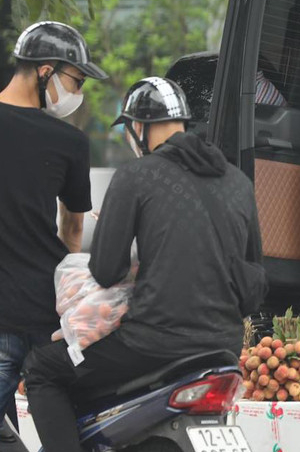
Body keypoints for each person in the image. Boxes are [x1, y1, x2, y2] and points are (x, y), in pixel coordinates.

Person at [22, 77, 267, 452]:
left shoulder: (136, 176)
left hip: (151, 344)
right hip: (224, 348)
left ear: (139, 127)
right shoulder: (238, 183)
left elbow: (106, 271)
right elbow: (253, 289)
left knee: (43, 369)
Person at [0, 21, 107, 442]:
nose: (77, 93)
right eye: (75, 80)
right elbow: (74, 224)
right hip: (49, 317)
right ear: (46, 71)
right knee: (68, 433)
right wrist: (66, 290)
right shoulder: (70, 141)